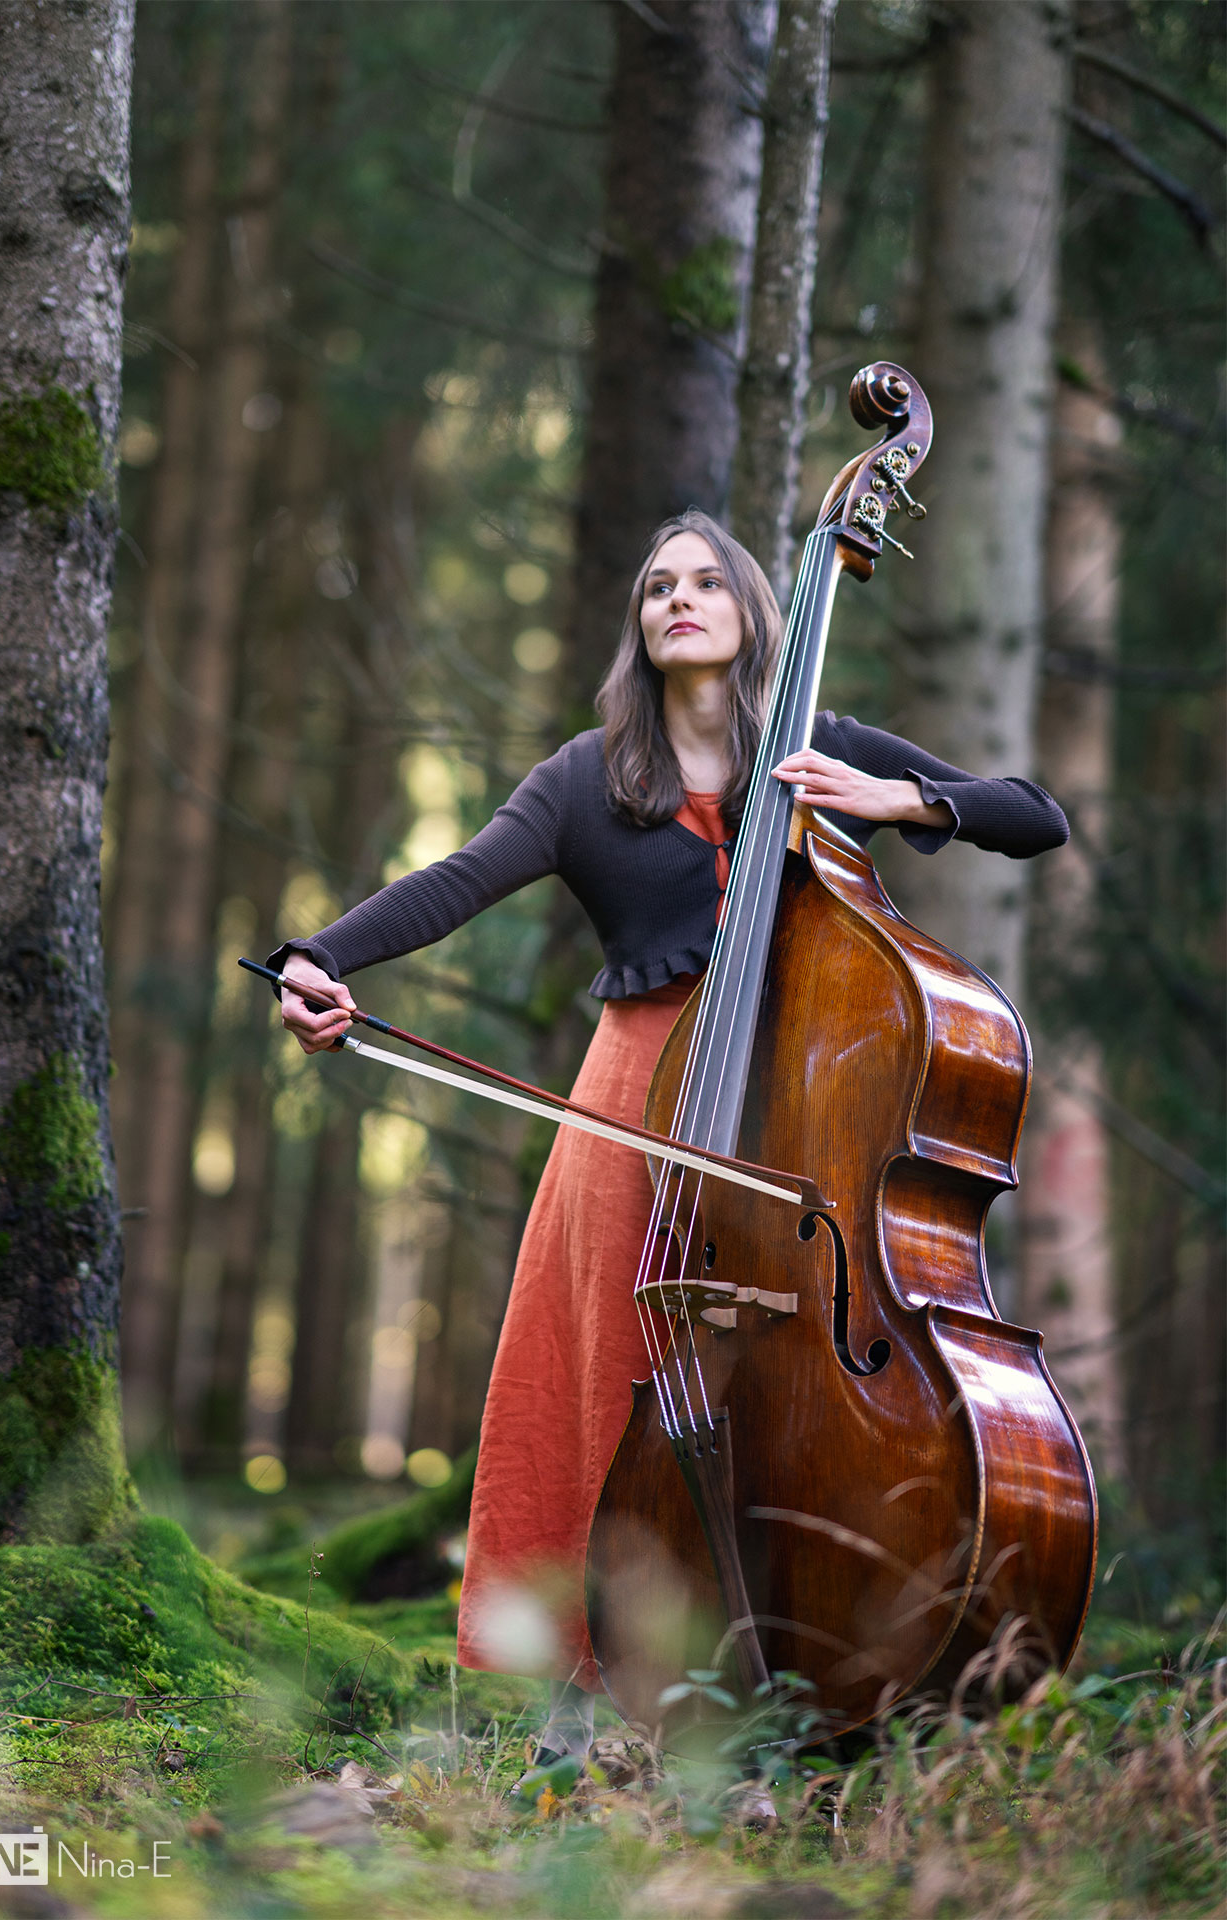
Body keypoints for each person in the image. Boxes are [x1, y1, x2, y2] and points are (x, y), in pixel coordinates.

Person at [273, 508, 1068, 1771]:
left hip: (802, 1126)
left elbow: (1034, 816)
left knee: (785, 1392)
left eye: (704, 580)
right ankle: (581, 1710)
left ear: (755, 610)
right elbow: (457, 881)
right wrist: (323, 958)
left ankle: (793, 1687)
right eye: (655, 587)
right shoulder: (588, 776)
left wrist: (900, 796)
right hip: (637, 1105)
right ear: (638, 628)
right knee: (607, 1383)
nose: (677, 599)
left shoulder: (819, 748)